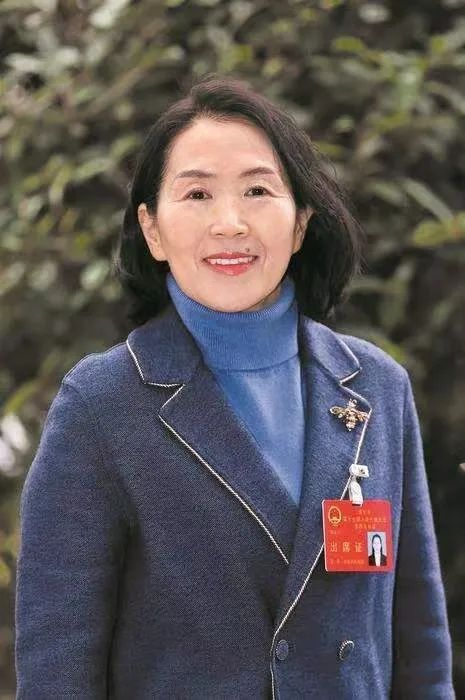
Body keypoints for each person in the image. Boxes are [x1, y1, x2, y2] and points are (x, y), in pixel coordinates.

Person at [15, 74, 454, 699]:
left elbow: (422, 650)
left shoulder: (379, 388)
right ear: (152, 229)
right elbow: (57, 671)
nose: (230, 223)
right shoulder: (102, 403)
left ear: (300, 223)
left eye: (257, 190)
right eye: (197, 194)